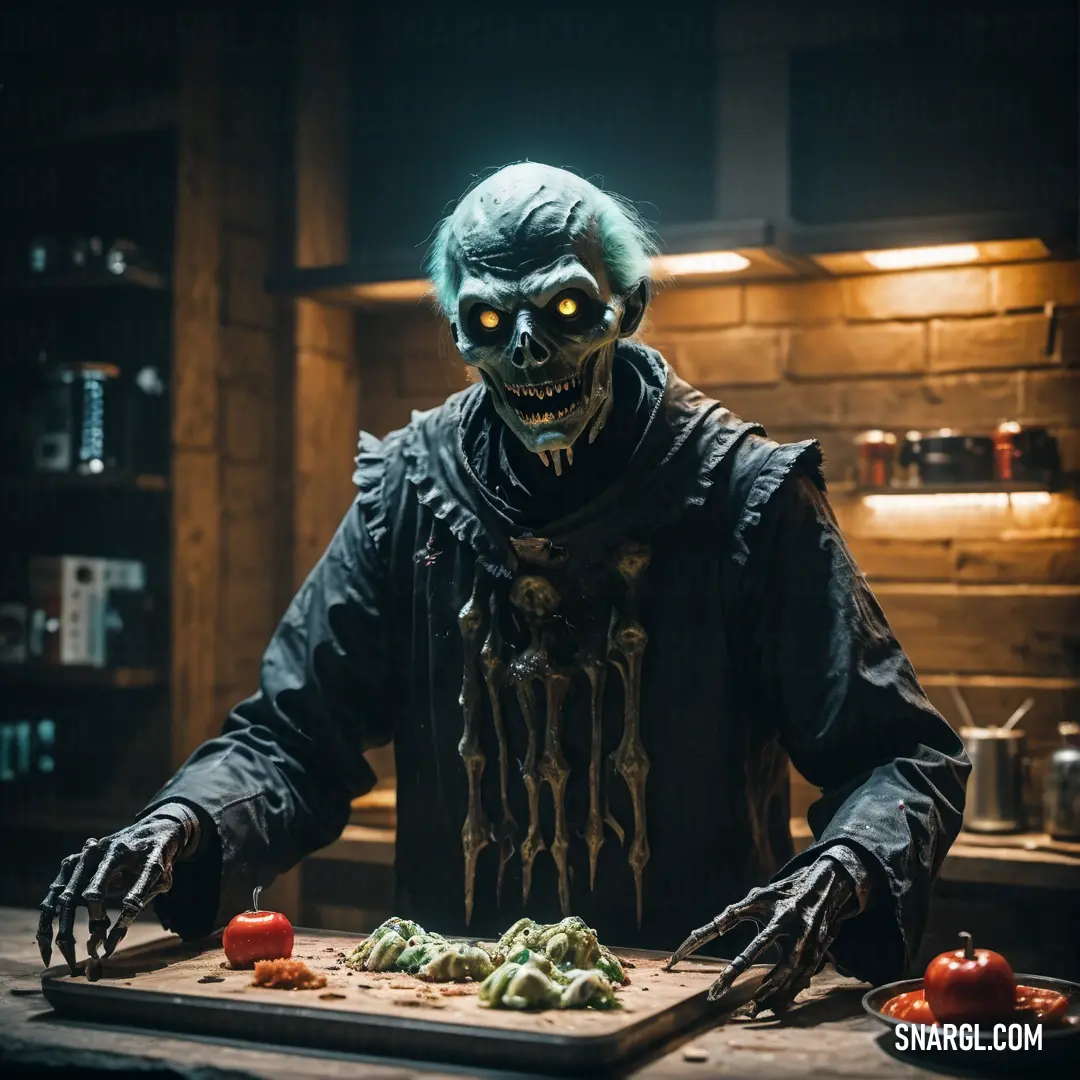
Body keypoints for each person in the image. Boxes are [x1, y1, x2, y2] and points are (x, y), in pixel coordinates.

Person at [38, 163, 969, 1013]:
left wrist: (849, 861)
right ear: (457, 334)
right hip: (449, 1012)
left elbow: (902, 754)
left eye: (565, 311)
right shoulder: (409, 495)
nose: (528, 353)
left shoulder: (744, 495)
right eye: (490, 323)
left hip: (697, 1007)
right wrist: (187, 816)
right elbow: (290, 736)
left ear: (627, 307)